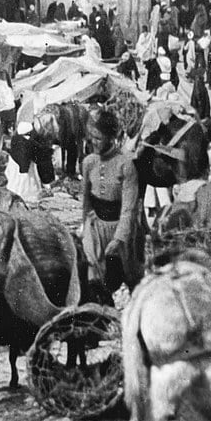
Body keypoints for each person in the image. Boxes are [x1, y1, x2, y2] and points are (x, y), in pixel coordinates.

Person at [81, 109, 145, 301]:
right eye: (91, 137)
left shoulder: (125, 165)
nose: (93, 142)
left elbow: (129, 208)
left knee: (130, 276)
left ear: (110, 138)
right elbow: (85, 200)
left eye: (98, 138)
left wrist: (118, 239)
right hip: (96, 228)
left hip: (121, 230)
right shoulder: (88, 162)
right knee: (96, 279)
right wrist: (86, 226)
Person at [5, 121, 45, 204]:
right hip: (25, 171)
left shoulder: (16, 140)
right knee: (26, 185)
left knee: (15, 183)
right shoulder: (27, 144)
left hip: (15, 166)